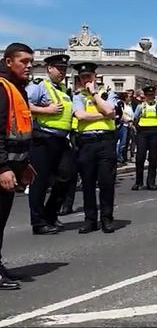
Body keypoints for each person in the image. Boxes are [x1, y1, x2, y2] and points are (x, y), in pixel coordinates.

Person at [26, 54, 76, 235]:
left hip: (61, 139)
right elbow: (24, 104)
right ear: (49, 69)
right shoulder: (40, 86)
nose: (62, 72)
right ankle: (38, 222)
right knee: (39, 181)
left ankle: (50, 214)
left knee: (68, 176)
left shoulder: (64, 90)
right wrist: (46, 110)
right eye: (59, 69)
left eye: (64, 69)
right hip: (43, 138)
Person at [0, 43, 35, 290]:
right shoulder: (2, 88)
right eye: (23, 61)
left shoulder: (17, 88)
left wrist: (24, 164)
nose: (29, 66)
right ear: (9, 62)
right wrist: (2, 167)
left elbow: (19, 131)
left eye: (31, 61)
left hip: (14, 165)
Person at [72, 62, 118, 234]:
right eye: (82, 77)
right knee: (88, 183)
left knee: (106, 182)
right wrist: (103, 114)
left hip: (106, 141)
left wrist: (95, 95)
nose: (85, 80)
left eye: (88, 77)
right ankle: (90, 220)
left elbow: (111, 109)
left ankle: (107, 219)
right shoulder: (78, 96)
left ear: (95, 77)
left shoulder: (107, 93)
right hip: (87, 142)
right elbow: (80, 115)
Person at [132, 86, 157, 191]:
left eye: (152, 95)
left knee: (152, 158)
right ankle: (138, 182)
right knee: (140, 157)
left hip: (155, 132)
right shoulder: (140, 106)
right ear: (145, 96)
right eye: (148, 95)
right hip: (142, 132)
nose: (150, 97)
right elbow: (135, 118)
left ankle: (151, 182)